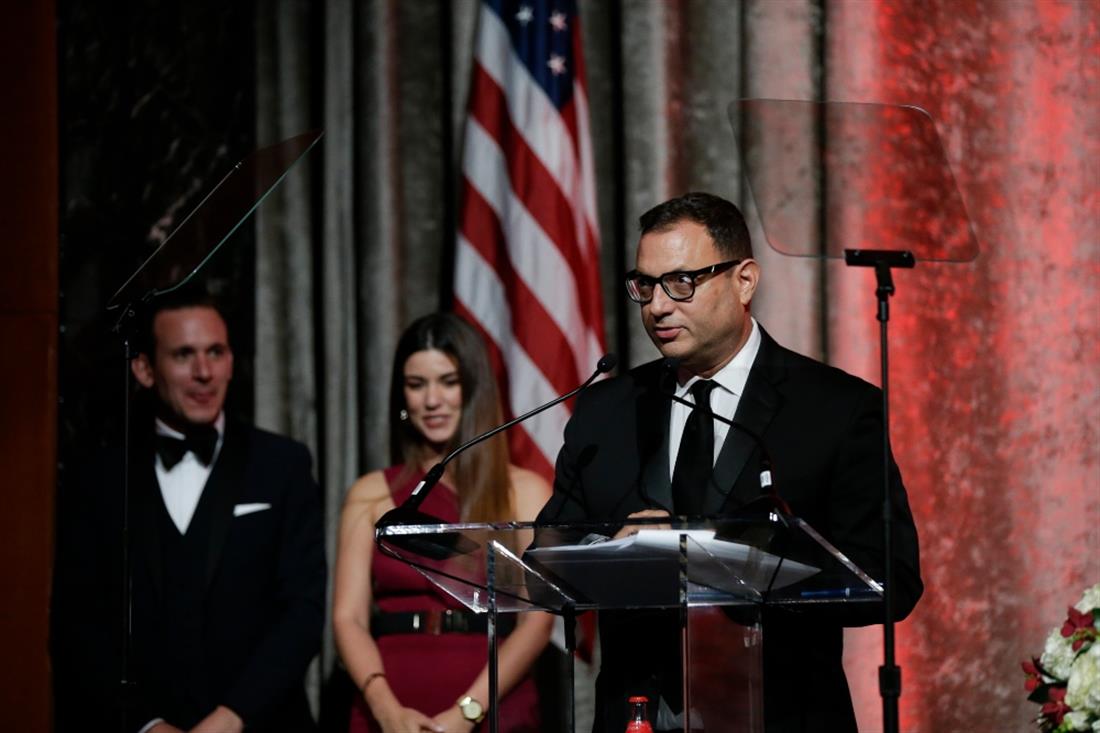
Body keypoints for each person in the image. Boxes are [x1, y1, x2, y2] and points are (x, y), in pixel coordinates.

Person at [536, 192, 923, 733]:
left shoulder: (836, 408)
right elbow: (545, 557)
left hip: (781, 713)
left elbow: (890, 580)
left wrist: (720, 562)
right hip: (637, 716)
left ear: (744, 281)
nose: (658, 306)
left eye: (681, 282)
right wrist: (617, 552)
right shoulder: (606, 410)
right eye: (645, 285)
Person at [50, 286, 326, 733]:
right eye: (184, 355)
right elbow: (78, 623)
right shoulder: (100, 477)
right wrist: (148, 724)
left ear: (232, 361)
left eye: (216, 352)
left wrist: (230, 718)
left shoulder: (283, 464)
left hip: (263, 725)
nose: (204, 372)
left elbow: (303, 612)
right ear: (144, 369)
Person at [333, 313, 553, 733]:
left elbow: (537, 622)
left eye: (448, 382)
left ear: (474, 389)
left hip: (494, 708)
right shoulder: (369, 494)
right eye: (417, 385)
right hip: (387, 709)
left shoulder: (524, 492)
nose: (432, 400)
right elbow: (349, 618)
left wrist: (468, 712)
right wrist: (386, 711)